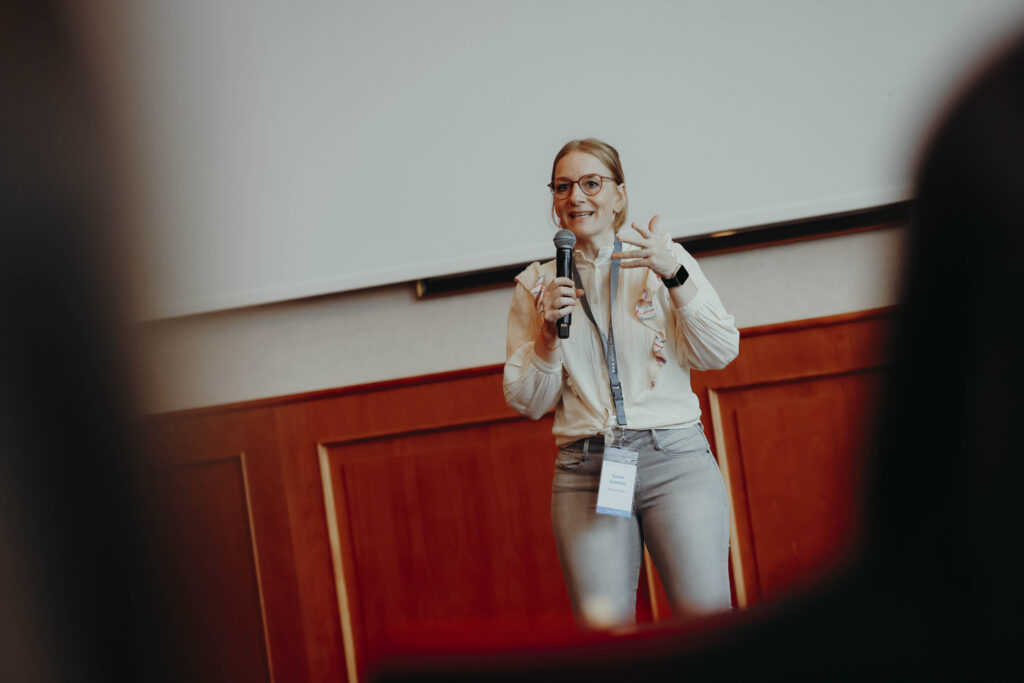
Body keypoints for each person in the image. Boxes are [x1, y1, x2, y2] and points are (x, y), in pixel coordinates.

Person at [502, 138, 740, 628]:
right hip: (585, 471)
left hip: (675, 461)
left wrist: (674, 274)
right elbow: (527, 401)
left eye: (592, 183)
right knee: (604, 642)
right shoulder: (537, 286)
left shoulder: (661, 261)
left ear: (619, 195)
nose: (577, 197)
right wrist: (548, 336)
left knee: (707, 632)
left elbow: (720, 351)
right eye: (563, 187)